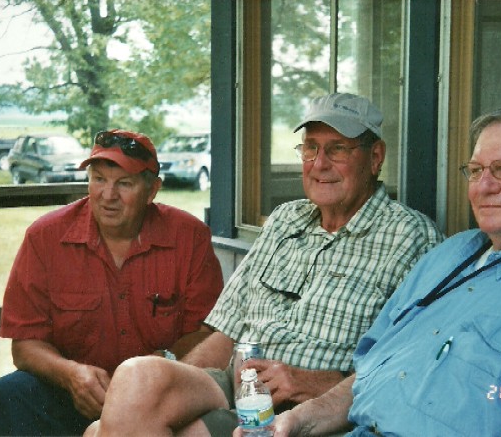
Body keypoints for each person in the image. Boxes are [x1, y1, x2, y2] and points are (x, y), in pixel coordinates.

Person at [264, 91, 501, 436]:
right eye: (476, 171)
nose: (484, 186)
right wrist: (304, 417)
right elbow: (370, 372)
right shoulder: (451, 255)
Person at [84, 93, 444, 436]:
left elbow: (405, 364)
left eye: (337, 149)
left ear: (375, 157)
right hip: (234, 381)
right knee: (135, 380)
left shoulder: (411, 237)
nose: (319, 164)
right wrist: (160, 399)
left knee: (102, 431)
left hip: (303, 408)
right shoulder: (285, 220)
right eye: (311, 148)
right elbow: (226, 331)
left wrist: (311, 381)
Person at [0, 129, 224, 436]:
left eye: (124, 183)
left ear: (152, 190)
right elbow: (25, 345)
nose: (108, 195)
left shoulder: (189, 237)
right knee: (9, 394)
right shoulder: (45, 237)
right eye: (98, 179)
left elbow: (208, 334)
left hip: (157, 397)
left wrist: (162, 365)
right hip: (75, 395)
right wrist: (71, 374)